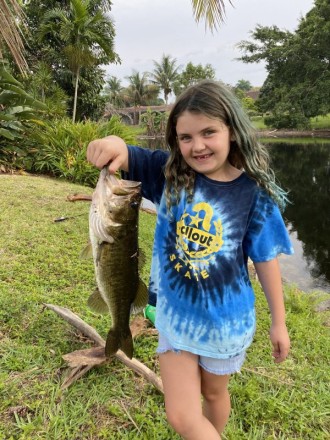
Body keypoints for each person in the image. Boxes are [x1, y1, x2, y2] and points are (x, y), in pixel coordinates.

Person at [87, 80, 293, 440]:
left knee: (215, 394)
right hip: (175, 320)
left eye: (209, 132)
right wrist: (112, 145)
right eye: (185, 137)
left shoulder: (254, 196)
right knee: (183, 417)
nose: (197, 146)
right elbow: (127, 153)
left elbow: (265, 260)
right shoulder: (169, 176)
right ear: (175, 140)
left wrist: (280, 322)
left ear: (232, 130)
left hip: (224, 325)